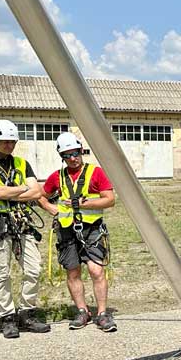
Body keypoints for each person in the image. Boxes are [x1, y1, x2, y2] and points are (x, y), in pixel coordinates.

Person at [0, 119, 49, 339]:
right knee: (2, 272)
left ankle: (27, 312)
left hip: (21, 221)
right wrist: (23, 189)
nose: (9, 145)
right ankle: (7, 317)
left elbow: (37, 192)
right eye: (4, 142)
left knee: (34, 268)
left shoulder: (22, 164)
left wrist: (11, 191)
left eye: (12, 142)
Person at [38, 132, 118, 332]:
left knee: (96, 270)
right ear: (62, 157)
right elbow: (40, 195)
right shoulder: (57, 177)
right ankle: (82, 311)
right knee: (73, 272)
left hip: (92, 229)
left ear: (81, 150)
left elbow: (110, 199)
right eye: (67, 155)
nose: (72, 158)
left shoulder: (96, 172)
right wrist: (50, 208)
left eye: (75, 153)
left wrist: (85, 203)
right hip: (66, 231)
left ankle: (102, 313)